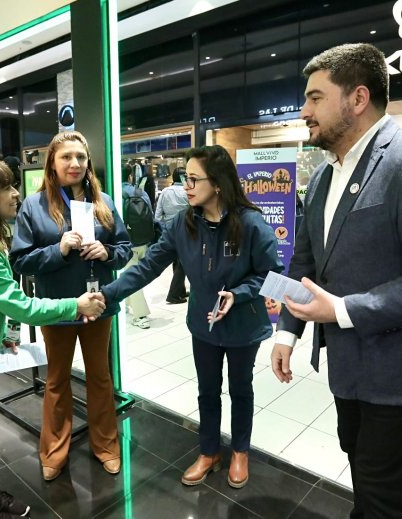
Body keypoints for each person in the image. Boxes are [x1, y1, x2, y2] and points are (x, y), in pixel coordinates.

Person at [269, 43, 402, 518]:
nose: (304, 111)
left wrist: (341, 311)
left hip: (400, 371)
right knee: (361, 469)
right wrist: (286, 329)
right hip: (348, 367)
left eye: (315, 98)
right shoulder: (324, 177)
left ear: (358, 98)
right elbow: (303, 261)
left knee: (384, 492)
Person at [0, 159, 105, 519]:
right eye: (6, 188)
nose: (15, 194)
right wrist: (76, 304)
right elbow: (20, 303)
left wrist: (3, 335)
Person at [101, 145, 283, 489]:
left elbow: (272, 274)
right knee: (207, 390)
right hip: (203, 324)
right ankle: (209, 451)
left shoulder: (250, 223)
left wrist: (239, 294)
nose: (186, 185)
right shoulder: (182, 224)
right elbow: (148, 266)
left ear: (217, 184)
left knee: (240, 389)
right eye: (185, 177)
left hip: (243, 325)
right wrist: (107, 295)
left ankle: (240, 451)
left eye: (193, 178)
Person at [10, 130, 132, 481]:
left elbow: (124, 247)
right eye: (67, 157)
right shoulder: (34, 207)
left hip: (98, 304)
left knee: (100, 377)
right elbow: (20, 260)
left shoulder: (103, 202)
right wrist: (59, 250)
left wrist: (108, 252)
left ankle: (106, 446)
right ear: (52, 163)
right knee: (57, 379)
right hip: (58, 307)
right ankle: (53, 452)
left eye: (80, 157)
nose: (75, 163)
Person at [121, 163, 154, 329]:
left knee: (132, 278)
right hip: (144, 241)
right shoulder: (141, 192)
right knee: (131, 274)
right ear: (130, 176)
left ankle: (141, 315)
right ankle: (126, 305)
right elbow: (152, 216)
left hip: (127, 243)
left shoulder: (115, 193)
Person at [155, 166, 190, 303]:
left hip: (169, 231)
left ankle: (179, 290)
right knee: (182, 263)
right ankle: (174, 294)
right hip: (187, 230)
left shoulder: (165, 192)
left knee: (177, 261)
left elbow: (157, 215)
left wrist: (167, 222)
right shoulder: (189, 192)